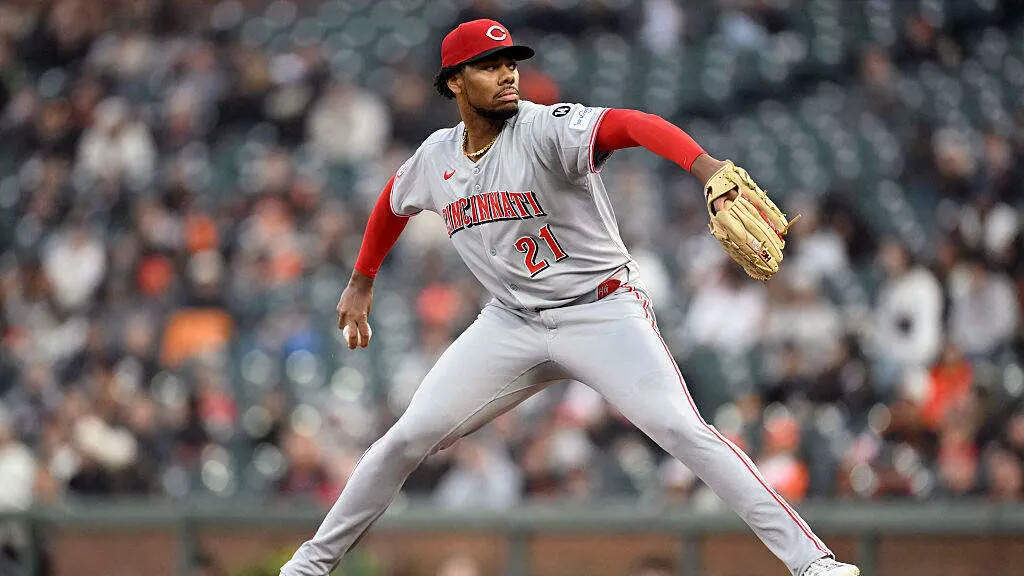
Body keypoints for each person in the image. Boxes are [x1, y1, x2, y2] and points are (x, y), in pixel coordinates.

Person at [280, 19, 858, 576]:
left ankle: (814, 563)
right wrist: (362, 278)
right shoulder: (437, 157)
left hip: (601, 311)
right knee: (404, 438)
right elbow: (391, 200)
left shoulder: (545, 128)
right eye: (488, 65)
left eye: (511, 63)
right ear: (454, 81)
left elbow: (630, 123)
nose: (507, 74)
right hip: (509, 324)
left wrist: (704, 167)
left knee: (685, 432)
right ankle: (308, 567)